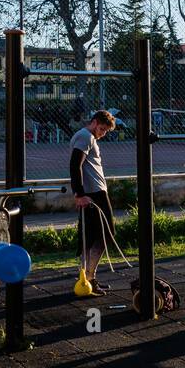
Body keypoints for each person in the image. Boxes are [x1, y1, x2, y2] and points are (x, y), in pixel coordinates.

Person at [70, 110, 117, 296]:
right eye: (102, 129)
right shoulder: (85, 136)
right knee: (104, 234)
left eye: (106, 131)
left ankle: (88, 279)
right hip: (93, 194)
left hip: (94, 192)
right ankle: (87, 278)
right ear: (94, 122)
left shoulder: (88, 138)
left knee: (93, 236)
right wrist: (79, 194)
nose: (103, 133)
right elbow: (75, 164)